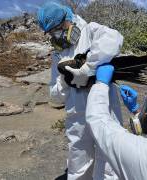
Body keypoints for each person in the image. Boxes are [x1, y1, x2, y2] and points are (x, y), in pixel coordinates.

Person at [37, 2, 124, 179]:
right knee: (78, 156)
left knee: (107, 154)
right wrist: (64, 80)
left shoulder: (91, 31)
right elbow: (55, 95)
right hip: (76, 110)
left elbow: (114, 39)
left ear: (67, 19)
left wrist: (87, 68)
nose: (57, 34)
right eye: (52, 32)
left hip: (104, 104)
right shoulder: (58, 53)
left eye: (58, 28)